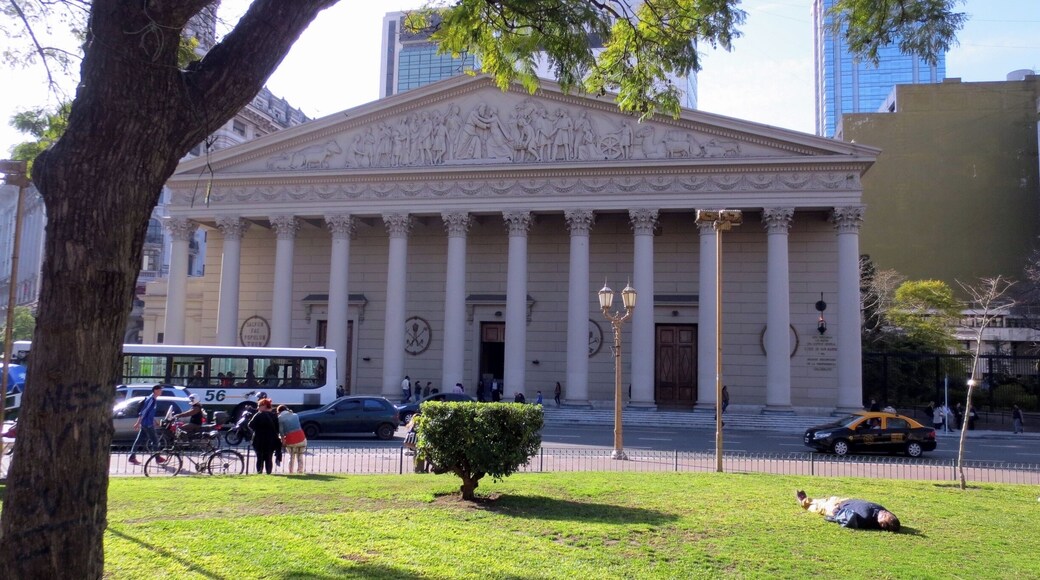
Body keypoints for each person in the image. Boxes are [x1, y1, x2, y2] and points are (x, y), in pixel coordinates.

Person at [795, 490, 900, 532]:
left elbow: (848, 518)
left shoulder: (870, 516)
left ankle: (804, 501)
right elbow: (893, 521)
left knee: (821, 506)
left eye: (883, 516)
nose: (883, 512)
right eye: (886, 513)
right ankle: (807, 500)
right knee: (824, 503)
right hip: (842, 502)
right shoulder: (880, 514)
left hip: (841, 504)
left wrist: (836, 511)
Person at [128, 384, 163, 465]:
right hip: (147, 424)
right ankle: (158, 458)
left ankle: (132, 457)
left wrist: (154, 420)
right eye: (160, 390)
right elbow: (144, 411)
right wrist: (138, 422)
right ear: (155, 390)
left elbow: (149, 412)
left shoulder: (153, 399)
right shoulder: (151, 399)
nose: (161, 391)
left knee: (138, 440)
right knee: (155, 441)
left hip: (147, 423)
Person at [248, 398, 281, 474]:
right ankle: (268, 472)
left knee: (260, 457)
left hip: (259, 439)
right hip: (271, 440)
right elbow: (278, 428)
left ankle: (259, 472)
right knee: (269, 457)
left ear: (264, 406)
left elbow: (250, 425)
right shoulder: (274, 416)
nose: (258, 407)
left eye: (259, 405)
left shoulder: (258, 415)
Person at [277, 405, 307, 474]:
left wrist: (283, 442)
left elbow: (281, 432)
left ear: (279, 412)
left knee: (291, 457)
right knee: (300, 456)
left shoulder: (280, 418)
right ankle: (300, 471)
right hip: (301, 437)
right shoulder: (295, 415)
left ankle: (291, 471)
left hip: (291, 440)